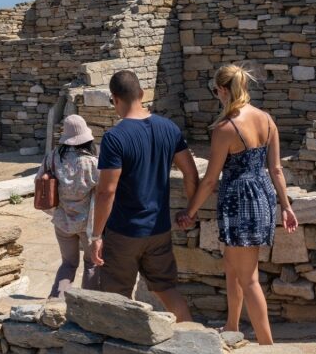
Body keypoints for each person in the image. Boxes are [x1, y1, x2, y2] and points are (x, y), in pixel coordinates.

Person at [177, 64, 298, 344]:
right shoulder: (267, 119)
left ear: (221, 90)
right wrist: (285, 205)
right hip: (263, 196)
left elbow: (209, 180)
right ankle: (232, 327)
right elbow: (276, 169)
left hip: (240, 203)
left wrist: (189, 212)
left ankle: (268, 345)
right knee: (232, 267)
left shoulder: (225, 128)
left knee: (249, 278)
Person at [88, 70, 199, 322]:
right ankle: (194, 338)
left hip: (124, 232)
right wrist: (190, 211)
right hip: (159, 229)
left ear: (115, 99)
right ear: (141, 94)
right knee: (167, 289)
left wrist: (96, 235)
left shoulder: (115, 138)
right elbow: (191, 175)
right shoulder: (169, 128)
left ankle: (120, 352)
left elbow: (107, 191)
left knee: (117, 296)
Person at [36, 114, 100, 298]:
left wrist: (53, 211)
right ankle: (88, 305)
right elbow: (105, 193)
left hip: (62, 222)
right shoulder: (92, 163)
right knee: (92, 264)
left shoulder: (53, 158)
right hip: (89, 224)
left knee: (68, 264)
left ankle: (56, 302)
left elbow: (39, 182)